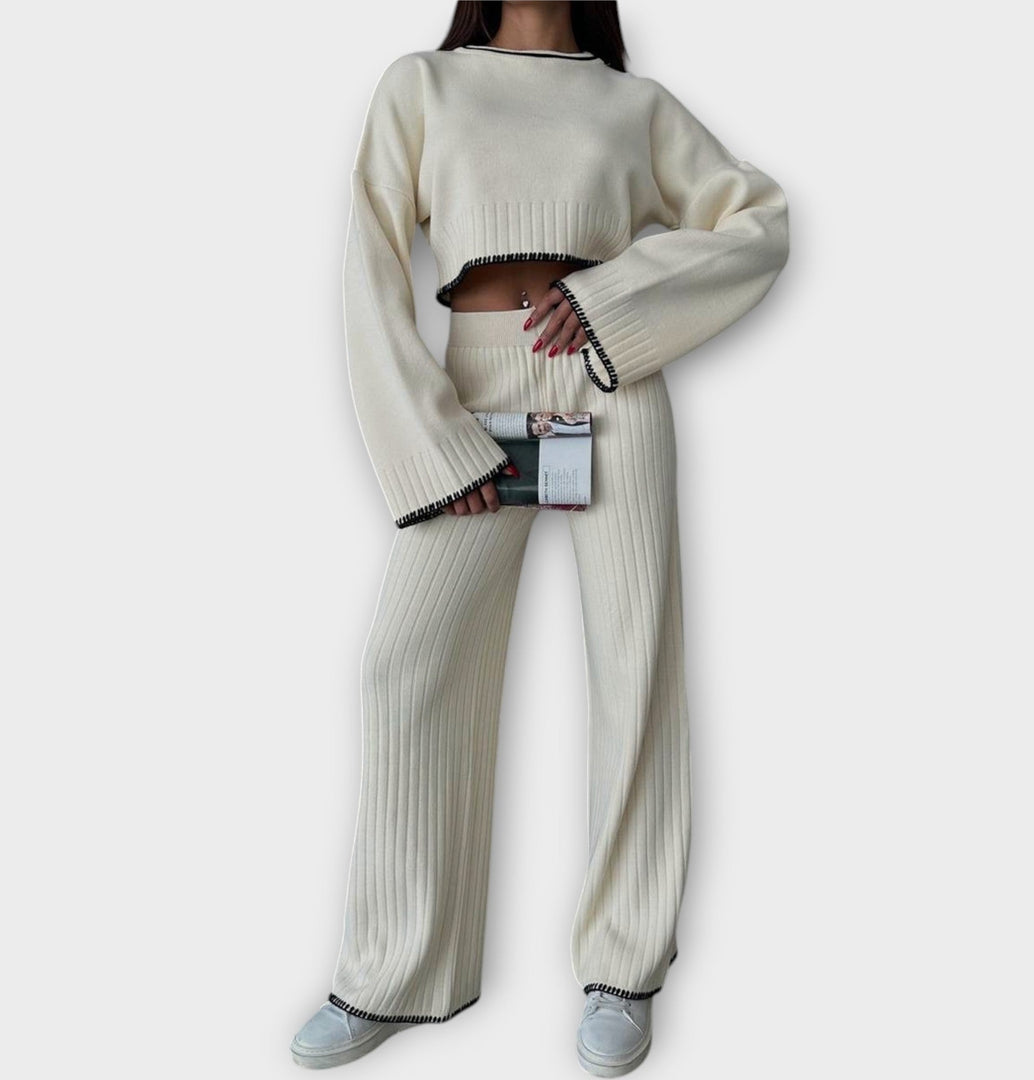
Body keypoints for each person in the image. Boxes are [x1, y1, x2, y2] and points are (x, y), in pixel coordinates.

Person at [291, 1, 789, 1074]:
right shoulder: (423, 84)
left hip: (610, 383)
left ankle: (623, 967)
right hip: (472, 387)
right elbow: (370, 265)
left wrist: (616, 301)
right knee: (408, 668)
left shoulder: (634, 103)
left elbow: (759, 219)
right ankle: (396, 969)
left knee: (635, 667)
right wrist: (430, 442)